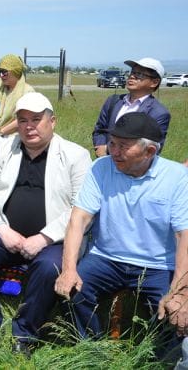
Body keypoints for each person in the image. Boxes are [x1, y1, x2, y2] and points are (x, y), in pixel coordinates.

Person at [0, 92, 91, 355]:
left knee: (48, 267)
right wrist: (1, 228)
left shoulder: (75, 155)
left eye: (36, 119)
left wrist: (44, 238)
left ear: (52, 121)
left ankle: (24, 332)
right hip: (7, 232)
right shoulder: (3, 148)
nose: (29, 126)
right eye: (22, 120)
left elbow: (80, 208)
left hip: (54, 239)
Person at [55, 113, 188, 353]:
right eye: (112, 143)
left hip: (158, 265)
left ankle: (159, 359)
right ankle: (92, 350)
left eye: (123, 146)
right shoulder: (101, 168)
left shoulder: (177, 177)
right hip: (106, 258)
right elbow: (79, 219)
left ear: (149, 151)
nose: (113, 151)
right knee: (74, 290)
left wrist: (179, 292)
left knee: (173, 309)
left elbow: (183, 236)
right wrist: (69, 269)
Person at [92, 57, 170, 157]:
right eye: (132, 72)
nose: (132, 76)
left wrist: (109, 149)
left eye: (140, 74)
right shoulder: (113, 101)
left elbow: (152, 146)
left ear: (154, 82)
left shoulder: (158, 113)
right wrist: (100, 147)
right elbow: (100, 130)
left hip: (133, 165)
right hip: (105, 161)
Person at [0, 54, 35, 137]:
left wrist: (1, 132)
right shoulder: (1, 90)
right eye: (0, 72)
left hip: (16, 138)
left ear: (15, 72)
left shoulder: (28, 92)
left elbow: (24, 119)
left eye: (4, 72)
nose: (1, 75)